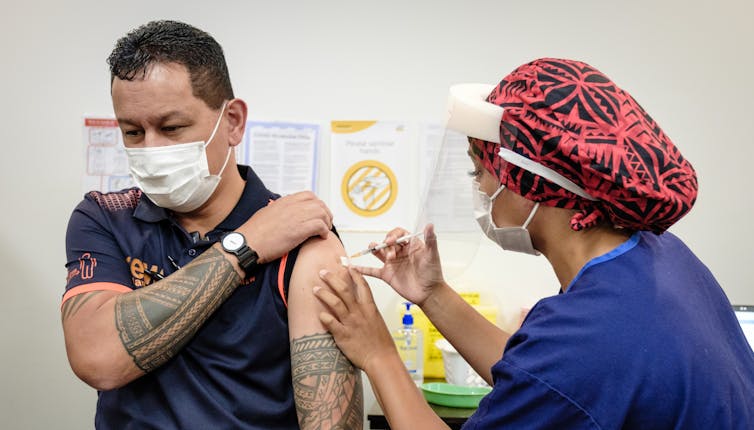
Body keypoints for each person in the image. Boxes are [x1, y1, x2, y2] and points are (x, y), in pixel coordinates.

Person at [313, 58, 754, 429]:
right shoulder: (659, 259)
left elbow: (562, 375)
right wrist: (433, 294)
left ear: (532, 184)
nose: (479, 190)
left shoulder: (586, 342)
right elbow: (542, 377)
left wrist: (378, 353)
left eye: (480, 173)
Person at [62, 20, 362, 429]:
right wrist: (245, 244)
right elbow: (98, 359)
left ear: (233, 121)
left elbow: (330, 420)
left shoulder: (303, 239)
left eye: (171, 128)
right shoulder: (104, 216)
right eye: (132, 132)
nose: (151, 149)